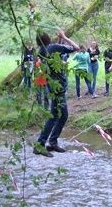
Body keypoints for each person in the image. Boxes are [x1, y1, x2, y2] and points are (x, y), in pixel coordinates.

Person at [33, 29, 79, 157]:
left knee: (62, 115)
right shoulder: (52, 47)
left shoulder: (41, 51)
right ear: (48, 39)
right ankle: (40, 145)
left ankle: (52, 142)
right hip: (58, 87)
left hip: (52, 86)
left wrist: (60, 39)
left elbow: (57, 52)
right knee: (55, 116)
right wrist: (64, 36)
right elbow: (76, 48)